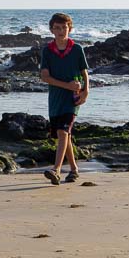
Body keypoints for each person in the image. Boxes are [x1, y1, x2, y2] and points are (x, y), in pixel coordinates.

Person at [39, 12, 89, 185]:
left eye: (64, 27)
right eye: (57, 28)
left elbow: (84, 73)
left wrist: (86, 91)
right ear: (52, 30)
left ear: (70, 28)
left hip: (73, 99)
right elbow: (45, 76)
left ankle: (56, 170)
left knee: (63, 132)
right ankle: (74, 169)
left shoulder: (77, 49)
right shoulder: (47, 51)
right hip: (55, 99)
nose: (61, 31)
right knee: (64, 134)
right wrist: (67, 85)